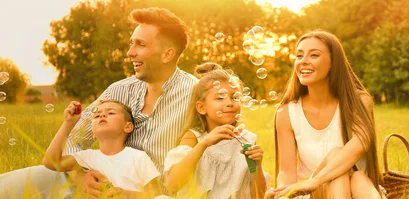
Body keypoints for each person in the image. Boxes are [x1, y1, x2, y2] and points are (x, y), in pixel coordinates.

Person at [0, 7, 197, 198]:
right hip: (89, 188)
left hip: (154, 196)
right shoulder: (118, 90)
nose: (130, 52)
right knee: (9, 186)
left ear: (167, 54)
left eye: (141, 44)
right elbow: (74, 138)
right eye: (131, 43)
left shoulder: (196, 95)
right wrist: (79, 175)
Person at [267, 30, 385, 199]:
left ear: (333, 62)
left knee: (357, 176)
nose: (303, 62)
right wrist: (286, 193)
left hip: (356, 190)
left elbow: (361, 143)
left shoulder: (359, 101)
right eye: (299, 56)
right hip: (311, 194)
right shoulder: (286, 112)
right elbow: (286, 172)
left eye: (314, 55)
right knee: (340, 169)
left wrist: (315, 180)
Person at [162, 63, 268, 198]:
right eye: (220, 97)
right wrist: (203, 144)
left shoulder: (246, 140)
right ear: (201, 108)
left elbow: (259, 196)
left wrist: (256, 166)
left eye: (235, 97)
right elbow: (172, 184)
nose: (229, 102)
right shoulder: (194, 138)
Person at [43, 100, 161, 198]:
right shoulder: (87, 157)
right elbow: (50, 161)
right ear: (93, 134)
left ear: (128, 126)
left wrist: (128, 195)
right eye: (97, 115)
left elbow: (157, 194)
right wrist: (68, 123)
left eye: (111, 113)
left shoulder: (138, 157)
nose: (102, 115)